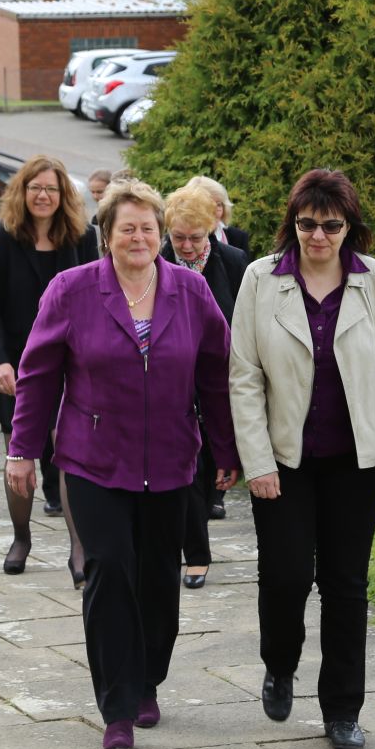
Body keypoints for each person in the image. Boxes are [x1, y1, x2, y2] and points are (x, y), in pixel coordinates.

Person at [8, 179, 242, 749]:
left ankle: (147, 680)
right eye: (126, 228)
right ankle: (116, 705)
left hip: (171, 458)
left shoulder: (191, 291)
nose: (138, 237)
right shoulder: (72, 290)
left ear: (161, 234)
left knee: (159, 579)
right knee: (109, 570)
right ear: (106, 235)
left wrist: (229, 450)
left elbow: (216, 373)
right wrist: (22, 450)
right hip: (93, 460)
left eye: (147, 228)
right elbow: (39, 374)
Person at [229, 168, 375, 749]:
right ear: (293, 223)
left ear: (349, 228)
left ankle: (342, 710)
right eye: (307, 224)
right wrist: (256, 461)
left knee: (346, 586)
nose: (317, 236)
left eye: (330, 225)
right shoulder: (261, 279)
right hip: (283, 462)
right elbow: (244, 377)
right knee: (286, 576)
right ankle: (279, 664)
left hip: (355, 463)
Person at [0, 154, 99, 579]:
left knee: (68, 454)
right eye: (35, 188)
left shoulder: (82, 238)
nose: (43, 195)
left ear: (64, 195)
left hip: (72, 365)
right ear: (22, 192)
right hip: (17, 368)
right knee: (20, 453)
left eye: (51, 188)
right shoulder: (2, 238)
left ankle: (79, 547)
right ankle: (21, 537)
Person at [160, 183, 248, 589]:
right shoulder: (159, 262)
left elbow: (246, 322)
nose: (188, 247)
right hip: (175, 380)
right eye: (179, 238)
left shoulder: (234, 262)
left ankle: (218, 494)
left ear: (212, 228)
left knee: (216, 460)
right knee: (189, 470)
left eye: (196, 237)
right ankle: (196, 556)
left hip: (223, 378)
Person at [186, 175, 250, 253]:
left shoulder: (238, 238)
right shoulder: (179, 240)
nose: (214, 211)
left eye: (219, 205)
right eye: (208, 205)